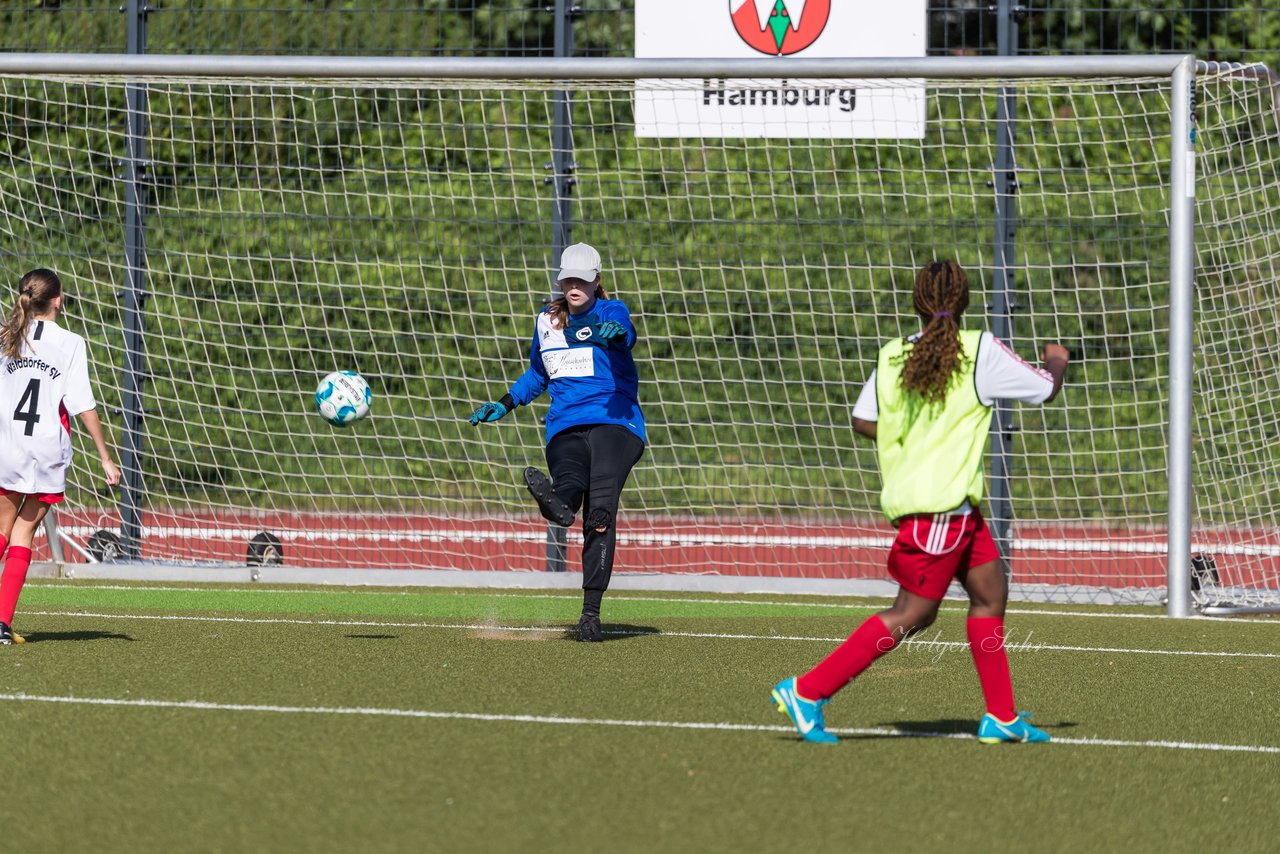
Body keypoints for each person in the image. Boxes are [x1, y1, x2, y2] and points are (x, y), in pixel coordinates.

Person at [771, 259, 1069, 744]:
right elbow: (1045, 388)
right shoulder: (980, 350)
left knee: (990, 596)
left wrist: (916, 434)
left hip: (955, 509)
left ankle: (1002, 716)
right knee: (914, 613)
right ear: (965, 301)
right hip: (938, 511)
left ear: (917, 303)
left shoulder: (892, 355)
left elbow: (862, 419)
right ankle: (807, 691)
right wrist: (1057, 357)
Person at [468, 243, 645, 642]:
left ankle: (590, 616)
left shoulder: (610, 311)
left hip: (614, 424)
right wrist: (505, 403)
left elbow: (626, 332)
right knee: (566, 492)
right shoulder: (547, 321)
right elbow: (537, 373)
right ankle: (559, 506)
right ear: (561, 280)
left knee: (599, 512)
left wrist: (617, 336)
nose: (574, 285)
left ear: (597, 281)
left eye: (582, 279)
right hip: (564, 426)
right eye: (568, 278)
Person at [0, 268, 121, 644]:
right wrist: (104, 456)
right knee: (23, 533)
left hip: (8, 446)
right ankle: (1, 624)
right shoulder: (71, 342)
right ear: (57, 301)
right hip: (47, 449)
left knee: (2, 528)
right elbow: (82, 404)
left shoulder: (6, 338)